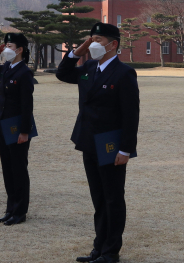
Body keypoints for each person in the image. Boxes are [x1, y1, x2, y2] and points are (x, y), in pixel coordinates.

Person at [56, 23, 139, 263]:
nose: (93, 44)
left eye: (98, 40)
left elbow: (130, 114)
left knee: (112, 197)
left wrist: (125, 149)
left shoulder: (124, 73)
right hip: (88, 140)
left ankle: (111, 251)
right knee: (98, 197)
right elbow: (62, 73)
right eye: (91, 39)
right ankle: (98, 247)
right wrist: (80, 48)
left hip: (110, 144)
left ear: (113, 44)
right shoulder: (89, 66)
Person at [0, 32, 34, 226]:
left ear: (20, 50)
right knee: (7, 167)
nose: (6, 50)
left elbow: (27, 104)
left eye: (9, 46)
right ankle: (10, 208)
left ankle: (20, 211)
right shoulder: (6, 67)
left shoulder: (24, 72)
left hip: (17, 125)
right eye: (5, 46)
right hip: (3, 121)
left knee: (18, 168)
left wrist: (24, 131)